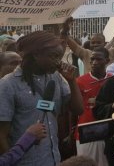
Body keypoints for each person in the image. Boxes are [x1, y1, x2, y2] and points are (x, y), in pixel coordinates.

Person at [0, 31, 84, 166]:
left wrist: (72, 81)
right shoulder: (8, 85)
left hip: (52, 159)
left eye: (59, 56)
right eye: (53, 56)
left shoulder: (56, 77)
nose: (58, 62)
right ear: (36, 55)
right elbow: (1, 136)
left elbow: (78, 109)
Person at [61, 10, 114, 74]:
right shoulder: (85, 54)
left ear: (104, 43)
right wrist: (65, 29)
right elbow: (69, 41)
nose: (95, 45)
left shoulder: (112, 53)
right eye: (93, 42)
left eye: (98, 42)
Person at [75, 47, 111, 165]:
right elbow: (73, 110)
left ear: (107, 61)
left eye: (98, 59)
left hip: (108, 132)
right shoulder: (79, 81)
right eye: (92, 59)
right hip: (87, 133)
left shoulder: (113, 79)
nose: (94, 62)